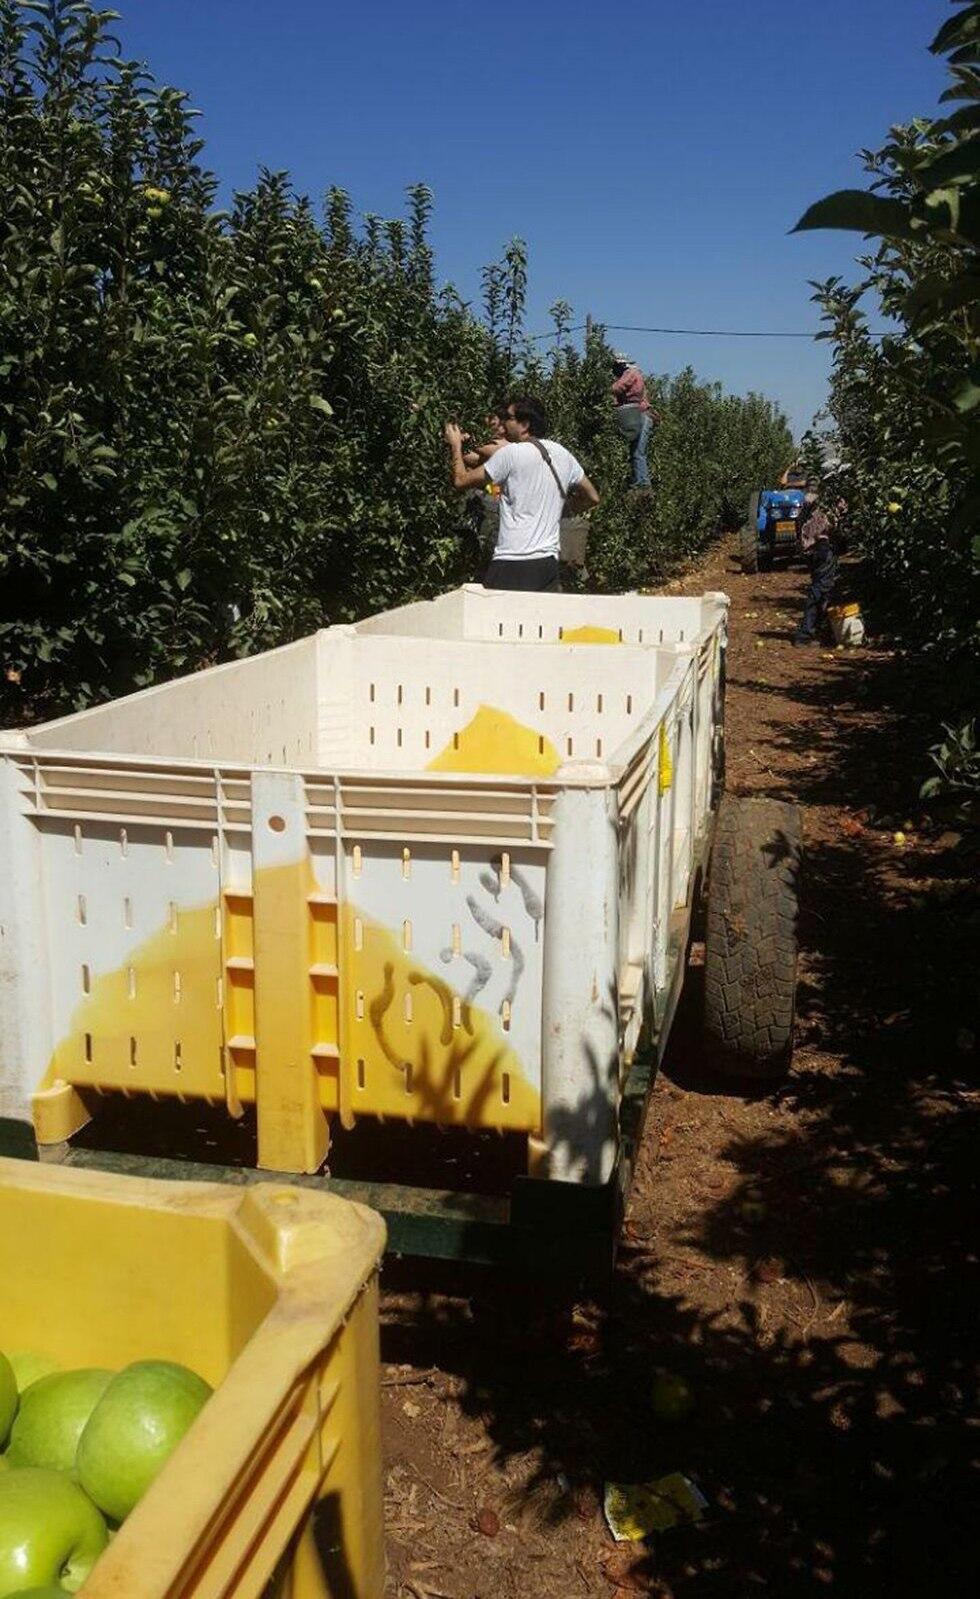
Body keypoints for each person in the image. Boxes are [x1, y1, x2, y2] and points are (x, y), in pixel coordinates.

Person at [445, 397, 599, 592]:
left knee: (494, 612)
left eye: (509, 418)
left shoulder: (511, 454)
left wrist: (455, 446)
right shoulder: (563, 454)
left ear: (525, 425)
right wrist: (561, 510)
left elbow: (460, 480)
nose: (504, 423)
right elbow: (592, 497)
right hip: (547, 564)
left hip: (510, 561)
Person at [793, 497, 838, 646]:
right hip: (821, 550)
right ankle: (804, 635)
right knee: (818, 592)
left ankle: (819, 631)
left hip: (813, 552)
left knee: (823, 592)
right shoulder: (825, 504)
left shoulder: (809, 503)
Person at [610, 353, 656, 488]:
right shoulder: (633, 374)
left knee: (638, 452)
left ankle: (643, 484)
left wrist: (607, 390)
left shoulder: (630, 373)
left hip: (641, 415)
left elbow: (617, 387)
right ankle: (639, 481)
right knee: (635, 451)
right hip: (637, 415)